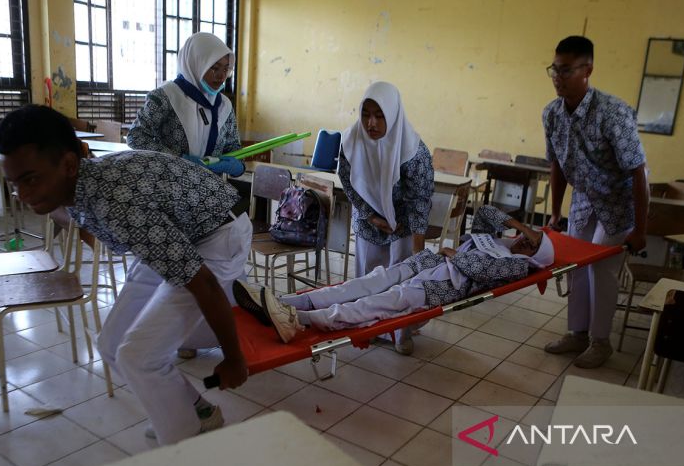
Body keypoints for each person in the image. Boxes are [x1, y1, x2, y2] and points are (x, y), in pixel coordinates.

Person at [0, 105, 251, 446]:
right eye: (14, 184)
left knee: (137, 355)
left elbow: (203, 282)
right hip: (178, 230)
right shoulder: (79, 186)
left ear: (69, 164)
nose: (23, 196)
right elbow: (103, 228)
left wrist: (234, 359)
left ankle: (186, 447)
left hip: (219, 233)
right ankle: (196, 412)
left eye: (30, 180)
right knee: (112, 344)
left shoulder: (115, 201)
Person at [234, 206, 554, 355]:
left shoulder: (518, 266)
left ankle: (298, 319)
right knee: (358, 286)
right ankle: (281, 303)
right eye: (531, 238)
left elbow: (483, 273)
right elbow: (484, 212)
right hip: (423, 264)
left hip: (436, 288)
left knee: (374, 305)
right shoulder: (503, 242)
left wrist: (455, 256)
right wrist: (523, 228)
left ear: (535, 257)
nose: (528, 243)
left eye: (534, 246)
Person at [542, 36, 649, 369]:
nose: (559, 77)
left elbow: (638, 172)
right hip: (585, 200)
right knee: (575, 265)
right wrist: (556, 211)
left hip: (620, 203)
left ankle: (600, 342)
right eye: (554, 70)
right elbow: (557, 164)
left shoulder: (612, 112)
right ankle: (577, 333)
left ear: (587, 70)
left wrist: (641, 230)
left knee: (600, 269)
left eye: (567, 70)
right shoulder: (552, 114)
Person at [338, 81, 434, 276]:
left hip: (401, 229)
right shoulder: (351, 141)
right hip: (367, 225)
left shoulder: (413, 152)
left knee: (397, 287)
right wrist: (371, 216)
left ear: (393, 115)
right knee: (364, 284)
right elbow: (347, 181)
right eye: (365, 115)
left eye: (380, 116)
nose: (370, 123)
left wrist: (417, 252)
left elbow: (419, 202)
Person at [127, 32, 244, 178]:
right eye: (215, 68)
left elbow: (232, 146)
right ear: (196, 63)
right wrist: (179, 159)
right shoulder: (166, 96)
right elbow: (136, 136)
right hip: (168, 185)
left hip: (209, 189)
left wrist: (238, 164)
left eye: (226, 69)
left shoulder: (224, 106)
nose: (221, 76)